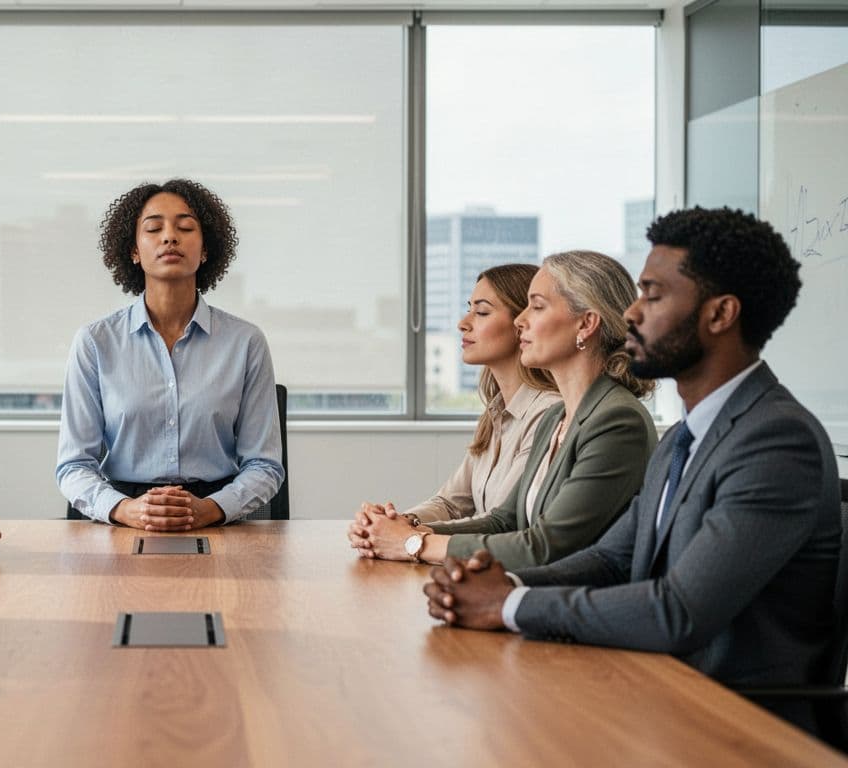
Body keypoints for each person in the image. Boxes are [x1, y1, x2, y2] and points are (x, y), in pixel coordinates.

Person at [421, 207, 839, 713]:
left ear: (720, 315)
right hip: (654, 690)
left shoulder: (775, 441)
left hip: (733, 720)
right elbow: (613, 559)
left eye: (654, 295)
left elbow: (678, 610)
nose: (633, 313)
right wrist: (498, 584)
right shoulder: (686, 437)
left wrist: (508, 605)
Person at [350, 251, 657, 569]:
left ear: (586, 323)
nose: (521, 321)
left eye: (536, 306)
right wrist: (400, 533)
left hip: (562, 605)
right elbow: (504, 521)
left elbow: (543, 547)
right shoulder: (557, 418)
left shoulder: (618, 421)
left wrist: (413, 542)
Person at [56, 179, 284, 531]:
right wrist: (126, 509)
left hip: (215, 517)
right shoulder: (95, 342)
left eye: (186, 227)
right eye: (154, 228)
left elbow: (264, 466)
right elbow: (73, 466)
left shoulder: (245, 342)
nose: (169, 237)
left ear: (205, 249)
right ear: (133, 250)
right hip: (123, 517)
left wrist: (209, 509)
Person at [379, 264, 561, 523]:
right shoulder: (496, 413)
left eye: (482, 312)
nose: (463, 324)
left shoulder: (548, 414)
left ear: (522, 323)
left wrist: (407, 536)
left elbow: (501, 522)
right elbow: (450, 503)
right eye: (469, 309)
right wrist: (398, 522)